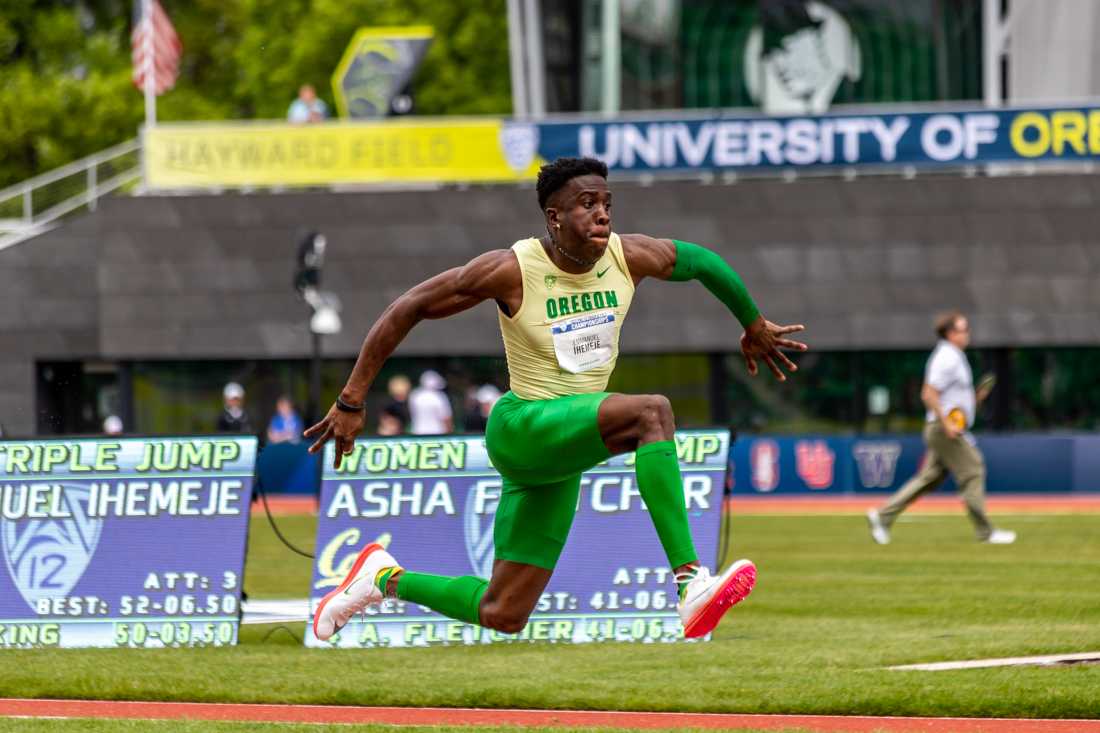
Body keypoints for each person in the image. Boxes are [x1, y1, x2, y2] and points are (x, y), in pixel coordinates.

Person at [305, 157, 807, 642]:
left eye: (607, 203)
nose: (603, 214)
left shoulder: (628, 257)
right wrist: (351, 400)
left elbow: (702, 263)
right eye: (587, 204)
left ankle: (380, 579)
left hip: (559, 451)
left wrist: (753, 323)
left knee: (503, 611)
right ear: (555, 216)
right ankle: (690, 581)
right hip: (523, 427)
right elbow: (407, 307)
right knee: (652, 413)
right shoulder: (512, 269)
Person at [867, 311, 1015, 545]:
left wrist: (976, 398)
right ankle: (986, 532)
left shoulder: (955, 356)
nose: (968, 333)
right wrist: (946, 423)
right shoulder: (946, 357)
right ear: (949, 333)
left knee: (929, 478)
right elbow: (928, 393)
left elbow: (952, 398)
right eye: (963, 329)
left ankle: (883, 516)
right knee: (973, 468)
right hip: (943, 428)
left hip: (946, 426)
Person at [408, 370, 453, 435]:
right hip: (437, 433)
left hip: (418, 432)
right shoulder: (439, 396)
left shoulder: (414, 395)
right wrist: (449, 433)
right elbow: (446, 417)